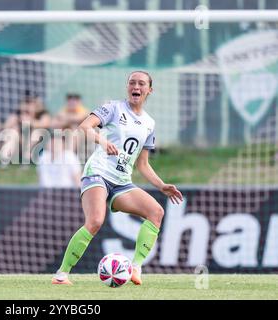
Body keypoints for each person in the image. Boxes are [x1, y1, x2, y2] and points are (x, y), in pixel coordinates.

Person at [52, 71, 183, 286]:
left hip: (121, 181)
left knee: (156, 212)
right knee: (95, 221)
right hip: (98, 173)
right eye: (132, 83)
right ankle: (61, 274)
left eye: (141, 84)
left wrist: (161, 186)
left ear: (150, 90)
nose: (136, 87)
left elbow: (142, 164)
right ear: (127, 87)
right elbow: (85, 126)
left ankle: (135, 267)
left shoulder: (149, 123)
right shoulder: (113, 108)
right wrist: (102, 142)